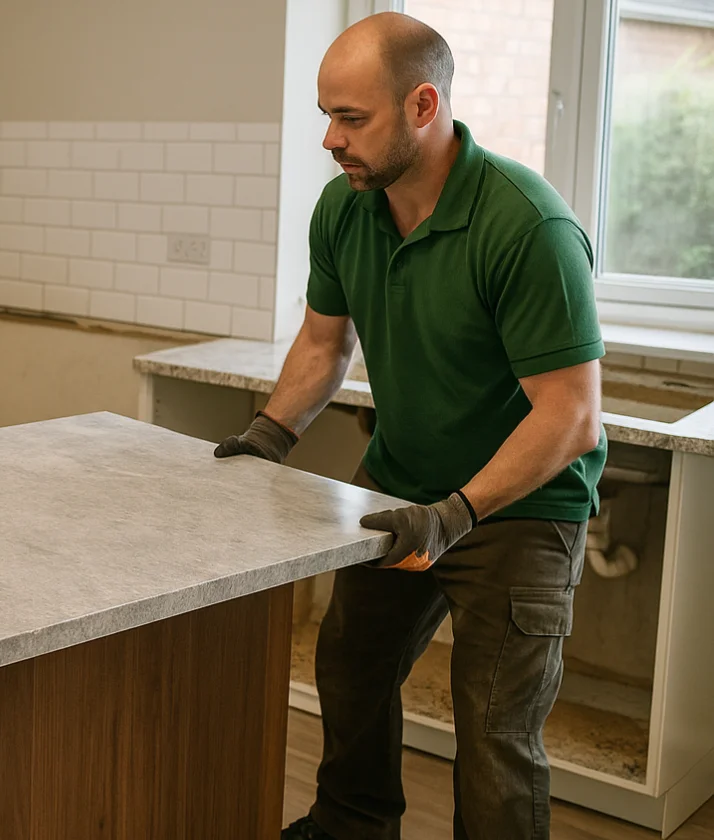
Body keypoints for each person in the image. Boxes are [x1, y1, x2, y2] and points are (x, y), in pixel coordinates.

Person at [214, 12, 605, 840]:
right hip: (398, 486)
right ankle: (353, 828)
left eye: (351, 118)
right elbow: (326, 343)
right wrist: (269, 436)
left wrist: (459, 513)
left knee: (495, 736)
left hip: (518, 509)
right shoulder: (347, 208)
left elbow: (571, 416)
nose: (329, 139)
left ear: (424, 104)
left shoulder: (525, 226)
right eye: (327, 114)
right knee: (352, 671)